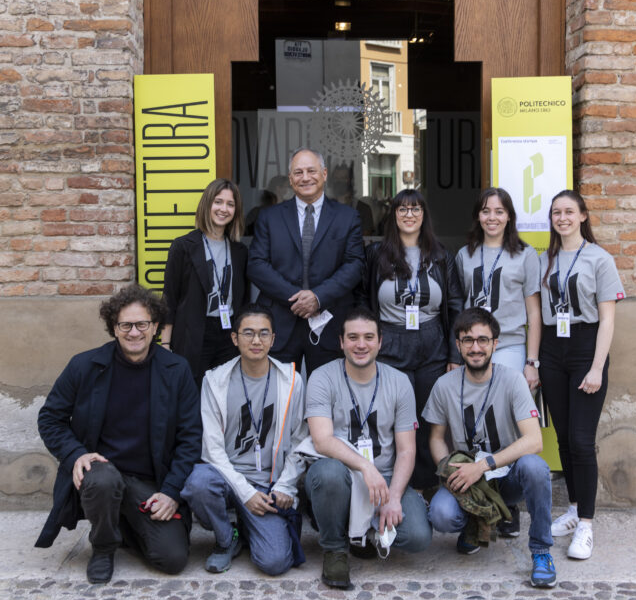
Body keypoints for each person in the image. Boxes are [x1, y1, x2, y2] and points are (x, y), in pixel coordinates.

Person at [35, 285, 201, 584]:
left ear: (156, 328)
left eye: (142, 324)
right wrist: (76, 454)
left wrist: (172, 492)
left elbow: (190, 437)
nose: (134, 332)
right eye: (126, 325)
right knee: (102, 478)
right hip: (103, 472)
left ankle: (123, 522)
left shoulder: (176, 369)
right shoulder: (85, 365)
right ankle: (103, 546)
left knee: (172, 559)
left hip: (151, 481)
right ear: (114, 327)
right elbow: (50, 418)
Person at [423, 306, 556, 589]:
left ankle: (541, 552)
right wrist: (449, 471)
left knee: (535, 467)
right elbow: (435, 437)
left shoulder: (512, 380)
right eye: (468, 340)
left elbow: (535, 441)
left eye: (483, 340)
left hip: (506, 474)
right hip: (467, 476)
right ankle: (474, 522)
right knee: (441, 514)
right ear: (458, 345)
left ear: (495, 343)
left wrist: (482, 466)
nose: (476, 347)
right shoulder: (444, 385)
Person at [304, 306, 432, 590]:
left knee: (418, 537)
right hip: (343, 477)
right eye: (352, 337)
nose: (360, 344)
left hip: (385, 479)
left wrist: (395, 496)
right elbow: (322, 440)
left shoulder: (399, 382)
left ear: (380, 341)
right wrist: (364, 466)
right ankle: (335, 548)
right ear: (341, 342)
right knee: (327, 475)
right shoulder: (322, 377)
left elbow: (407, 450)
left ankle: (364, 534)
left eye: (368, 337)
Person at [181, 305, 306, 576]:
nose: (256, 341)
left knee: (275, 563)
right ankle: (227, 539)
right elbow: (211, 449)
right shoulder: (215, 381)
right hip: (227, 478)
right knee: (198, 483)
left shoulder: (291, 380)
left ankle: (250, 525)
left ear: (274, 339)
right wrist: (245, 493)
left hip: (267, 484)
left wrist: (286, 485)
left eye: (264, 334)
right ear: (235, 338)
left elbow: (300, 440)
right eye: (248, 333)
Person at [539, 190, 625, 560]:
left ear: (584, 216)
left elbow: (607, 318)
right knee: (561, 438)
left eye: (569, 212)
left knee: (580, 439)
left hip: (586, 346)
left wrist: (595, 367)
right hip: (552, 348)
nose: (562, 218)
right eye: (556, 212)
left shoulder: (599, 259)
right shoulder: (546, 259)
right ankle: (573, 510)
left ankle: (587, 524)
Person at [360, 189, 462, 491]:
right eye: (402, 209)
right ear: (393, 215)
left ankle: (427, 486)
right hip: (389, 344)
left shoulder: (442, 255)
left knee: (428, 419)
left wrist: (454, 355)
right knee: (392, 417)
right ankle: (392, 484)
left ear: (423, 215)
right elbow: (365, 300)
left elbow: (455, 303)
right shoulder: (376, 254)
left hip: (432, 344)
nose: (409, 215)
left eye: (415, 209)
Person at [455, 187, 542, 536]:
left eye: (499, 211)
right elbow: (460, 307)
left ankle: (511, 503)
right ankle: (480, 494)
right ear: (478, 215)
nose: (492, 217)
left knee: (509, 421)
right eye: (486, 211)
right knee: (477, 418)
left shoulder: (525, 255)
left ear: (509, 217)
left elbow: (534, 313)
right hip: (474, 345)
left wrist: (531, 360)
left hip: (509, 344)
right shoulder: (465, 254)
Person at [247, 148, 364, 374]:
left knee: (328, 399)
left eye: (311, 170)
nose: (305, 177)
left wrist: (318, 297)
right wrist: (297, 298)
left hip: (329, 322)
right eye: (298, 172)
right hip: (279, 323)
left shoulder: (347, 217)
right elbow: (257, 265)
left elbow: (355, 265)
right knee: (280, 400)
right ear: (291, 179)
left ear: (324, 174)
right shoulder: (269, 217)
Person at [161, 178, 249, 389]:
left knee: (224, 395)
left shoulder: (240, 252)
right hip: (193, 333)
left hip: (229, 334)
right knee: (193, 395)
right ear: (207, 204)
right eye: (218, 202)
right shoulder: (183, 246)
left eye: (230, 204)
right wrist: (165, 344)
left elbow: (243, 300)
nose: (223, 209)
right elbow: (169, 299)